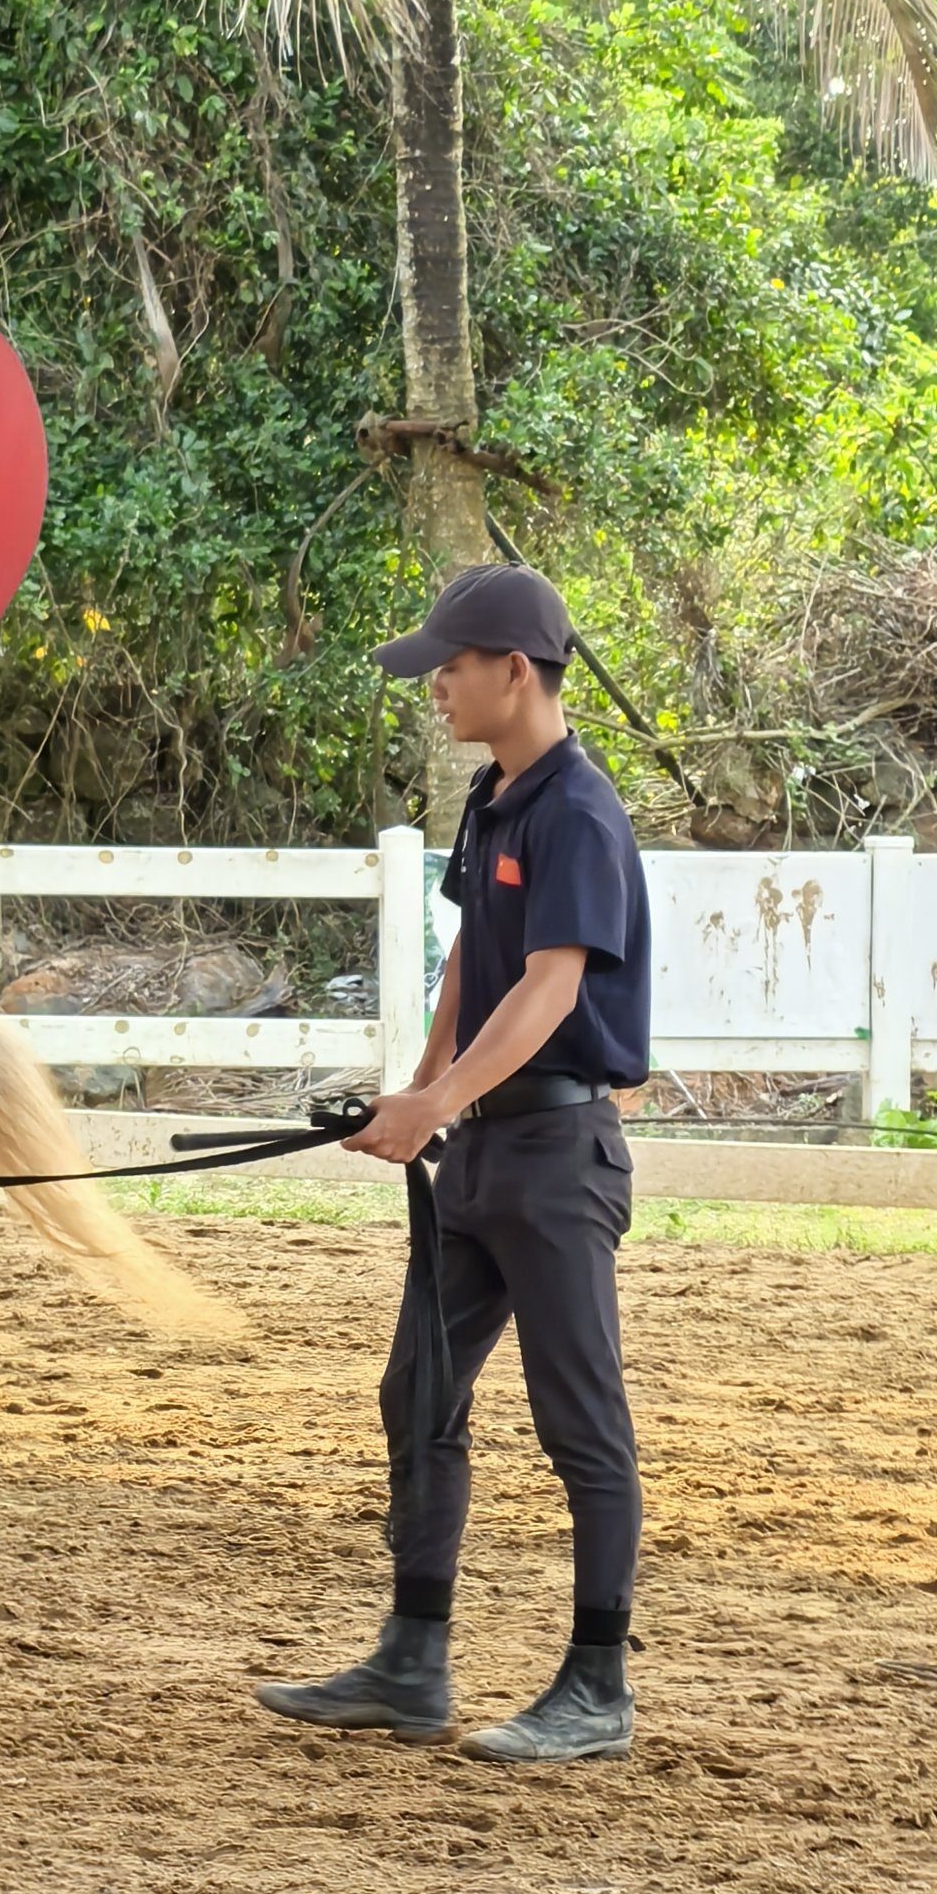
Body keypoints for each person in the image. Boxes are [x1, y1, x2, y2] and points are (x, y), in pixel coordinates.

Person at [258, 565, 651, 1763]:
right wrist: (421, 1097)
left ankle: (595, 1683)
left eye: (448, 665)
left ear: (511, 673)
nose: (434, 685)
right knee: (416, 1391)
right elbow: (470, 964)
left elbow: (548, 987)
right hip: (482, 1147)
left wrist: (442, 1097)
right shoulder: (492, 798)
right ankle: (411, 1659)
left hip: (552, 1148)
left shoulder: (577, 813)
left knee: (577, 1417)